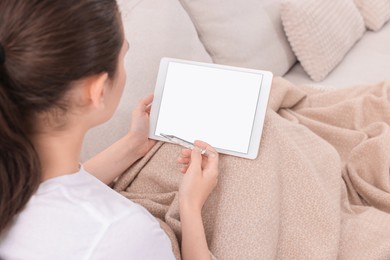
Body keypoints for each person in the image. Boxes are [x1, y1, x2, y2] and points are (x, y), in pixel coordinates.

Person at [0, 0, 219, 259]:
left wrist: (132, 146)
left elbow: (50, 193)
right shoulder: (122, 234)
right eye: (123, 56)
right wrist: (190, 207)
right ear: (98, 91)